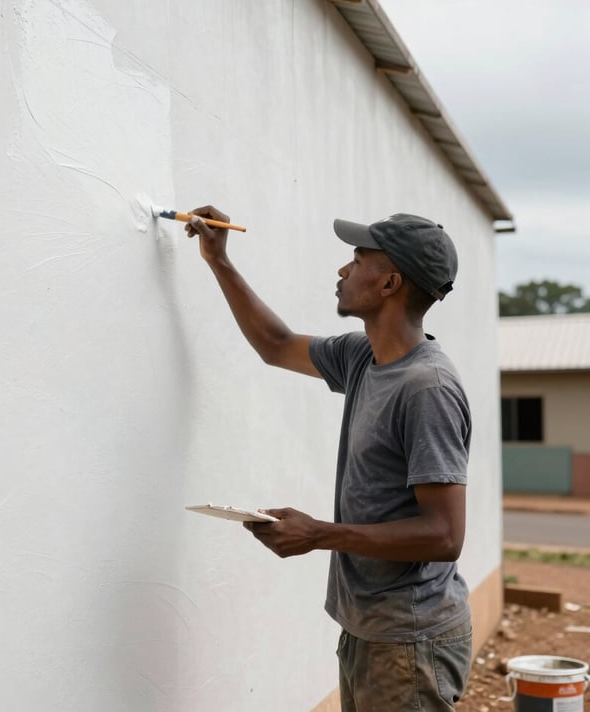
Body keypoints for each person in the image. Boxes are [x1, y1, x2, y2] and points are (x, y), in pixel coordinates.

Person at [185, 207, 473, 711]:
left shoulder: (426, 388)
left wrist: (318, 534)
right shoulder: (364, 357)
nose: (343, 269)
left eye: (358, 258)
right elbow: (275, 345)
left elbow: (444, 536)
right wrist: (219, 260)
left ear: (389, 283)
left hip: (410, 640)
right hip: (368, 628)